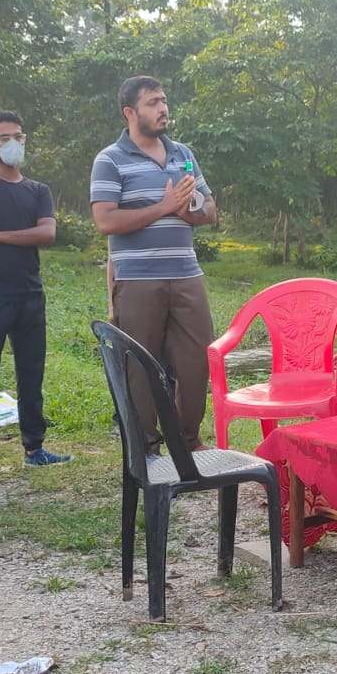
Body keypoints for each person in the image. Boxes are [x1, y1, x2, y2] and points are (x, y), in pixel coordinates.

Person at [90, 76, 217, 452]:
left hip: (187, 276)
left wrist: (190, 212)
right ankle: (146, 447)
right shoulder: (110, 160)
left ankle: (188, 442)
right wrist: (164, 207)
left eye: (164, 100)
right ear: (130, 112)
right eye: (152, 103)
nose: (163, 108)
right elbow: (106, 221)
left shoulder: (183, 154)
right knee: (141, 368)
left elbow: (209, 208)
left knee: (197, 361)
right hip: (138, 281)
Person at [0, 109, 70, 466]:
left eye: (19, 136)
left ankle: (35, 447)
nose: (13, 143)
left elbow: (47, 233)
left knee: (31, 373)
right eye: (5, 138)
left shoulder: (38, 191)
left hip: (30, 295)